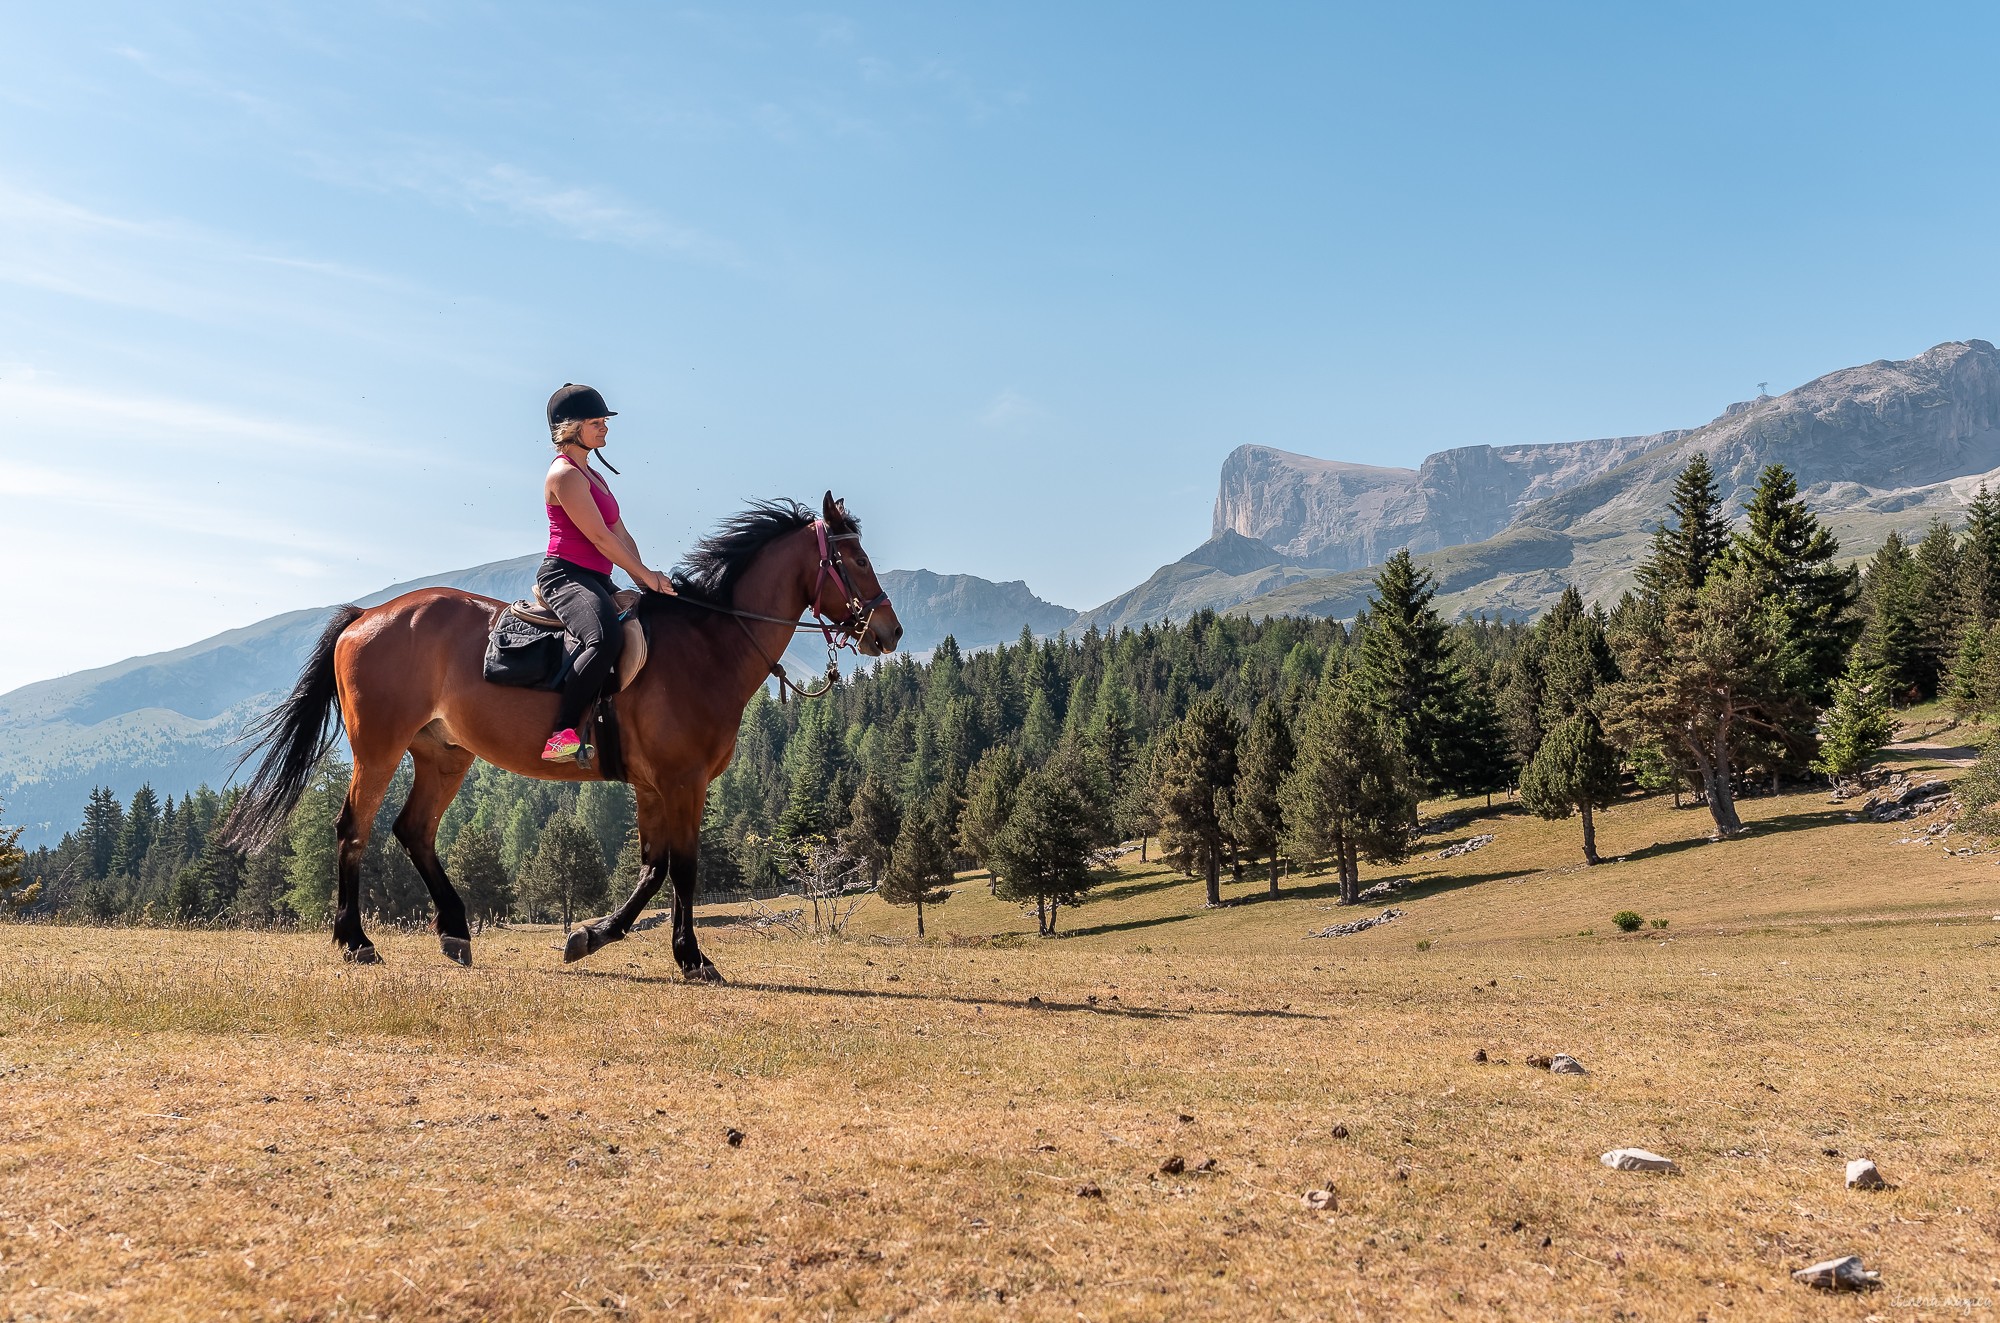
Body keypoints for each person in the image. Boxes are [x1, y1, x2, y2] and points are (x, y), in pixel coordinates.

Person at [537, 383, 674, 762]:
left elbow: (619, 532)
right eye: (596, 422)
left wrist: (646, 576)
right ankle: (561, 735)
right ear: (571, 428)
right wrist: (645, 576)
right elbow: (598, 537)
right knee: (603, 637)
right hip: (565, 575)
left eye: (604, 422)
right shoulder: (564, 475)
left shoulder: (595, 476)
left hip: (595, 577)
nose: (604, 428)